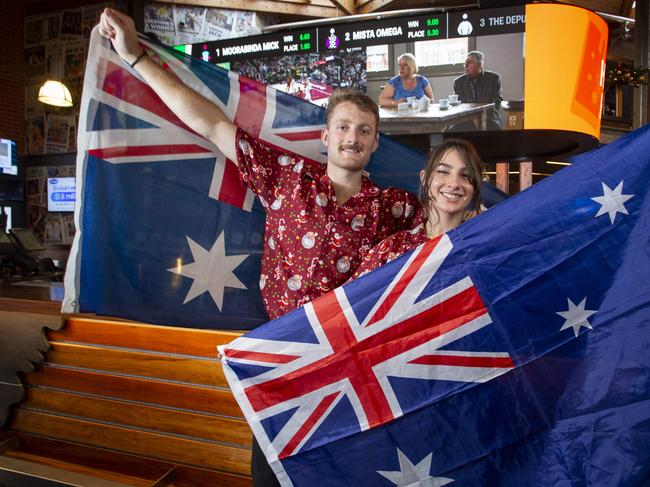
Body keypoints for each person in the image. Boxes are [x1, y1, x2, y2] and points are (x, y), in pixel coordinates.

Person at [99, 9, 422, 486]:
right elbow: (209, 125)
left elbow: (448, 223)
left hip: (350, 365)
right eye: (344, 127)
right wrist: (135, 58)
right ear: (325, 135)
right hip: (282, 357)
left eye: (364, 131)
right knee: (270, 475)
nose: (352, 137)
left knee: (344, 473)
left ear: (375, 143)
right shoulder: (286, 179)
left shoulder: (392, 207)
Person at [353, 139, 482, 276]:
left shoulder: (483, 250)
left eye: (465, 175)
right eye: (443, 171)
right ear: (425, 178)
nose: (454, 183)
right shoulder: (393, 249)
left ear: (475, 187)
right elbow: (355, 295)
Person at [453, 50, 503, 130]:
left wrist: (480, 118)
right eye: (465, 63)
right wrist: (473, 118)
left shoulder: (494, 78)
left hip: (488, 117)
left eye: (470, 63)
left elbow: (497, 103)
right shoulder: (458, 82)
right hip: (466, 119)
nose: (465, 66)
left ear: (480, 65)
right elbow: (459, 105)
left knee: (495, 128)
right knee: (452, 129)